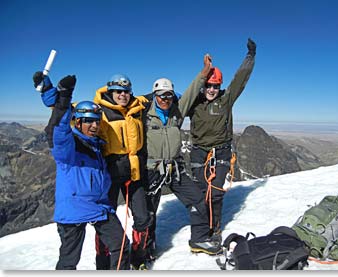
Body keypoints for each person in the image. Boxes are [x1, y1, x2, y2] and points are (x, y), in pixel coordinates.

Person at [32, 73, 130, 270]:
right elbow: (58, 130)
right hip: (74, 211)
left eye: (96, 121)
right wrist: (65, 97)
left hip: (99, 206)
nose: (94, 126)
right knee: (69, 261)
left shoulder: (95, 145)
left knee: (121, 246)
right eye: (88, 121)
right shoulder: (70, 146)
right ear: (78, 122)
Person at [140, 54, 222, 257]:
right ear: (154, 95)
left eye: (169, 95)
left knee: (198, 200)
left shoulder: (177, 111)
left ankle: (199, 239)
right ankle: (145, 250)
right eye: (161, 95)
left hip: (175, 168)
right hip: (151, 170)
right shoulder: (142, 113)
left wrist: (204, 72)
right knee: (147, 213)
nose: (165, 99)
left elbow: (193, 90)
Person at [187, 38, 256, 244]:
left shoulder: (225, 100)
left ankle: (215, 229)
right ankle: (202, 230)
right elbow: (177, 102)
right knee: (201, 194)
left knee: (215, 193)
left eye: (215, 86)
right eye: (208, 85)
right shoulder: (194, 102)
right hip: (199, 152)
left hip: (221, 152)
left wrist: (250, 57)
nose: (211, 90)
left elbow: (240, 79)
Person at [93, 74, 152, 270]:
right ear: (110, 92)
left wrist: (172, 94)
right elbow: (71, 113)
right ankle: (104, 261)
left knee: (143, 217)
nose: (123, 95)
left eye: (126, 91)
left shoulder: (137, 108)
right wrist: (52, 96)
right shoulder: (99, 110)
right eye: (118, 91)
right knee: (105, 220)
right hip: (110, 173)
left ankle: (138, 257)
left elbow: (150, 97)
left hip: (133, 172)